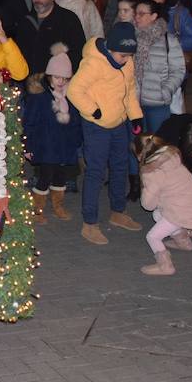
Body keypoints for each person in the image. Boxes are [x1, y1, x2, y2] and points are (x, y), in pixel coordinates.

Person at [67, 21, 144, 245]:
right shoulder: (94, 64)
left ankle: (117, 211)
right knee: (96, 172)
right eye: (122, 55)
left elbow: (129, 91)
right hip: (96, 126)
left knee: (120, 166)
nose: (126, 59)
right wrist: (94, 110)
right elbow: (74, 90)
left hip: (119, 124)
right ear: (110, 48)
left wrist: (135, 115)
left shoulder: (127, 62)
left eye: (129, 55)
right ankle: (89, 223)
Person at [135, 134, 192, 275]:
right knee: (158, 215)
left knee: (152, 237)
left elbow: (147, 205)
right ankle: (183, 241)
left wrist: (145, 188)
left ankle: (165, 266)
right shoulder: (173, 159)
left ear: (140, 155)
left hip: (179, 210)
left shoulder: (153, 172)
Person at [23, 45, 80, 222]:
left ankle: (58, 205)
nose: (60, 82)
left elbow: (76, 121)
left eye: (64, 78)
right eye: (57, 77)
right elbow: (30, 123)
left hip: (64, 146)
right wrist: (28, 146)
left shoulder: (70, 96)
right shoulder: (40, 97)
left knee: (60, 176)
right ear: (49, 76)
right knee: (45, 176)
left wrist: (76, 140)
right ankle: (37, 208)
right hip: (46, 145)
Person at [132, 0, 186, 148]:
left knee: (158, 145)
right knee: (136, 144)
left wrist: (165, 91)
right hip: (133, 103)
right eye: (136, 13)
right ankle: (136, 172)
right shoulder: (130, 38)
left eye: (142, 14)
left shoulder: (168, 40)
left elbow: (178, 70)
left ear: (154, 16)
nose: (137, 17)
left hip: (157, 104)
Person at [19, 0, 86, 78]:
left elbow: (78, 52)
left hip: (58, 81)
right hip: (31, 81)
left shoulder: (67, 19)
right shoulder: (25, 21)